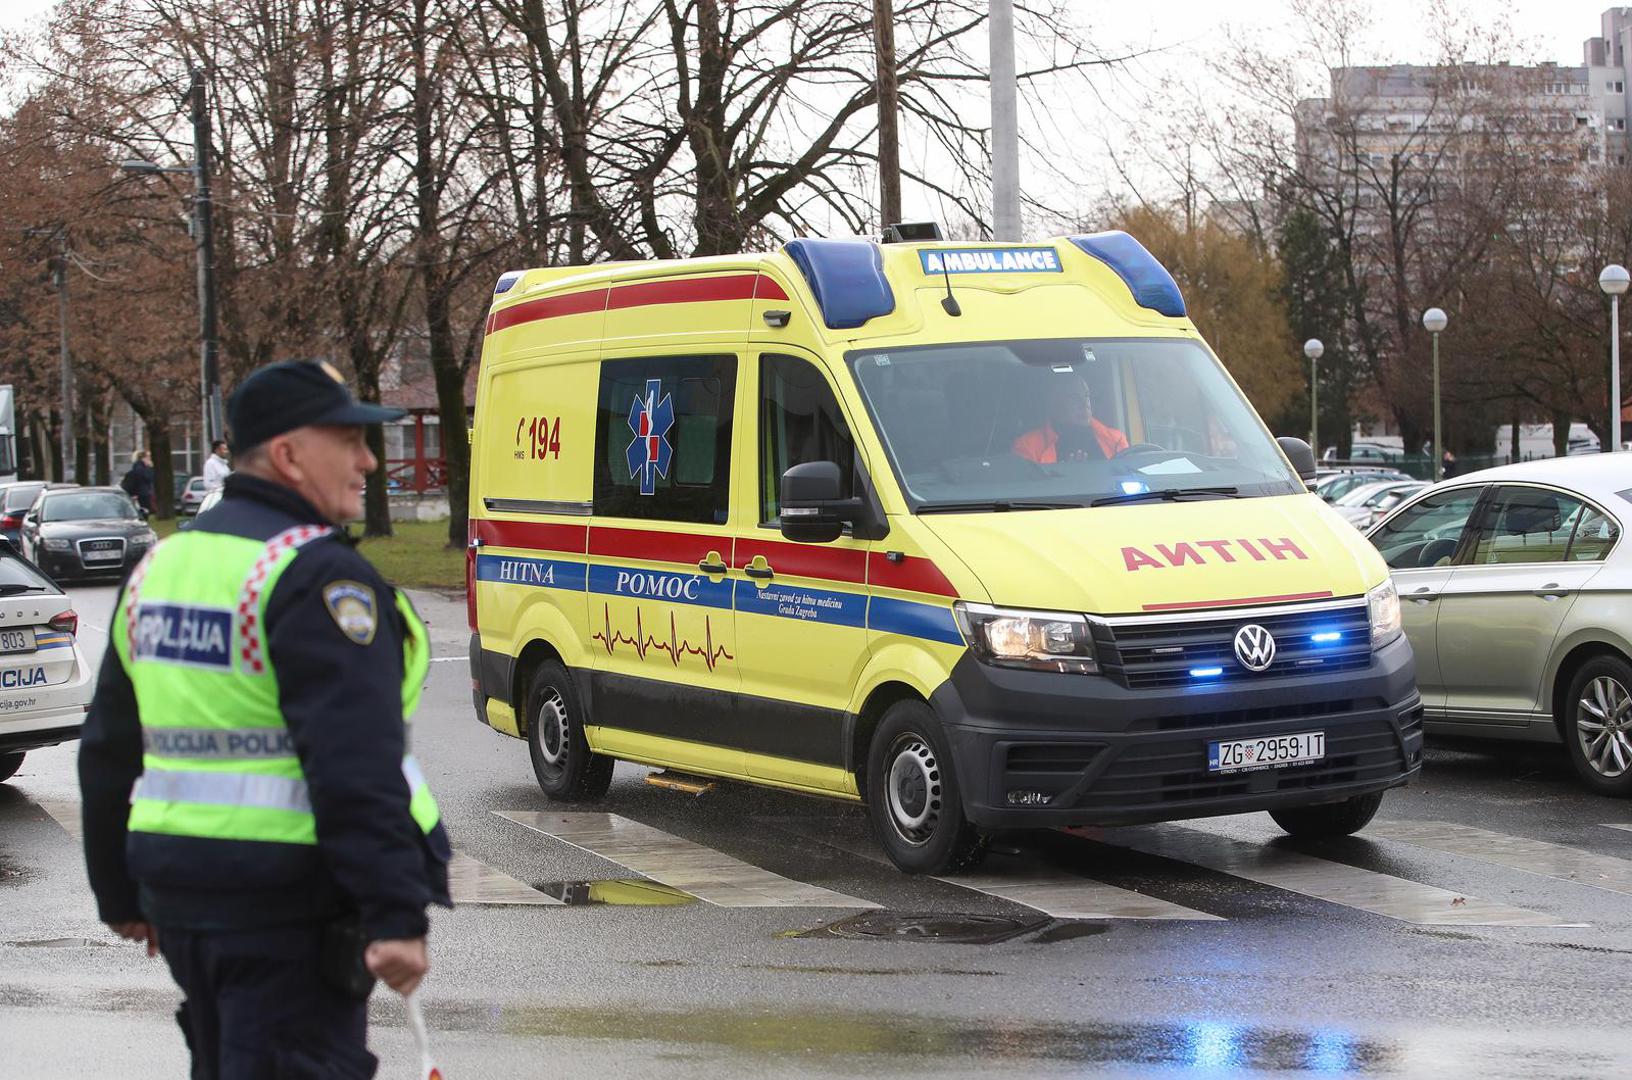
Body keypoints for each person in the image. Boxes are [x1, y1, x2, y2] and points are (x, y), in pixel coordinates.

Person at [79, 360, 452, 1079]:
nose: (368, 461)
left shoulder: (161, 567)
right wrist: (395, 914)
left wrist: (121, 896)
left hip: (180, 901)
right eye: (349, 441)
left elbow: (106, 751)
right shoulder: (311, 575)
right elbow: (354, 766)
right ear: (288, 455)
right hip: (289, 908)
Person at [1012, 373, 1129, 462]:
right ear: (1055, 403)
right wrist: (1068, 476)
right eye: (1075, 398)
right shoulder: (1027, 446)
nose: (1085, 404)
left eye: (1086, 396)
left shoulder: (1115, 440)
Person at [121, 449, 155, 516]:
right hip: (142, 495)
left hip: (141, 494)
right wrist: (151, 467)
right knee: (145, 512)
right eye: (148, 457)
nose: (149, 459)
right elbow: (148, 477)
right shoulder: (141, 468)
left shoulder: (138, 467)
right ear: (143, 458)